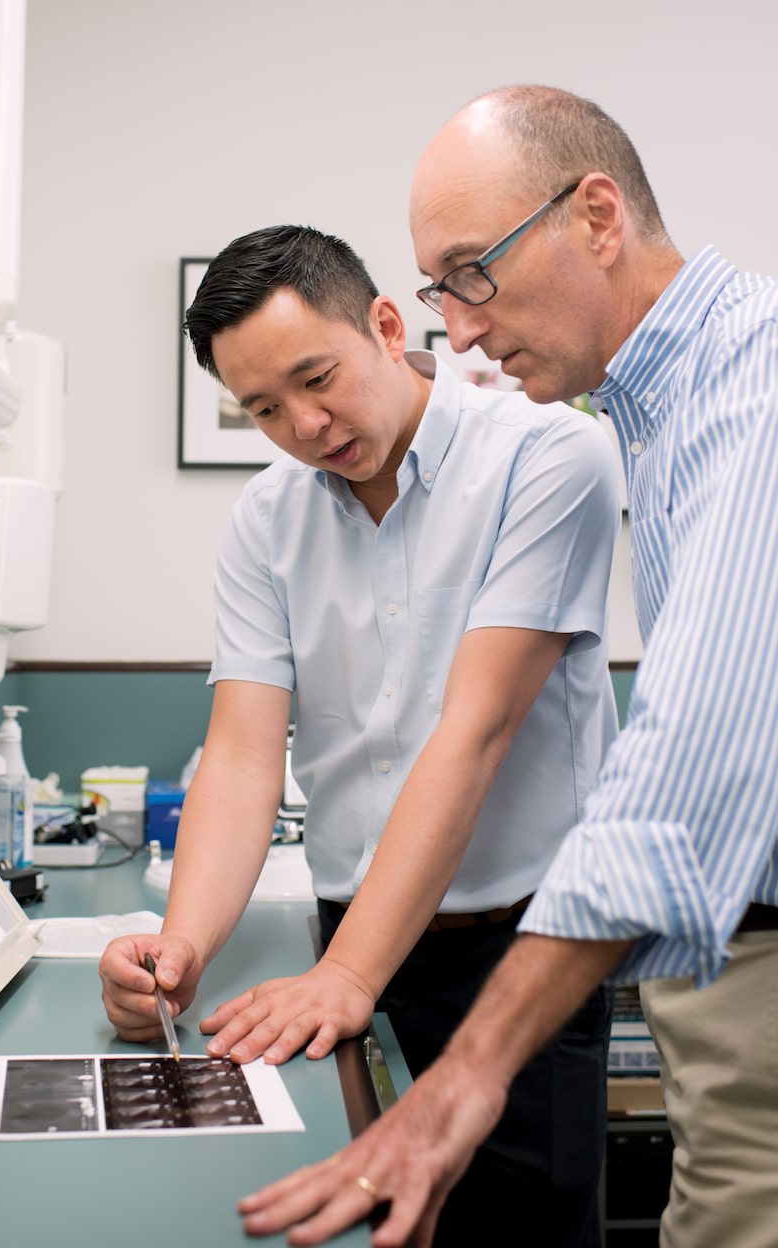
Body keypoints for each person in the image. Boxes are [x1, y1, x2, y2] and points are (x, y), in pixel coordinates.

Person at [237, 86, 778, 1248]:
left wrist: (471, 1067)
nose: (463, 328)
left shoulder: (748, 390)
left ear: (595, 218)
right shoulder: (656, 408)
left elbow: (691, 759)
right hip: (712, 964)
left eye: (471, 273)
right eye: (443, 290)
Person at [99, 223, 621, 1245]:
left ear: (386, 324)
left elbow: (472, 736)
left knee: (519, 1229)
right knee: (361, 1229)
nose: (303, 424)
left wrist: (347, 976)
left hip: (517, 955)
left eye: (315, 377)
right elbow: (245, 756)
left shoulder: (549, 457)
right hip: (349, 938)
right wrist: (180, 949)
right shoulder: (265, 520)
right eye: (262, 408)